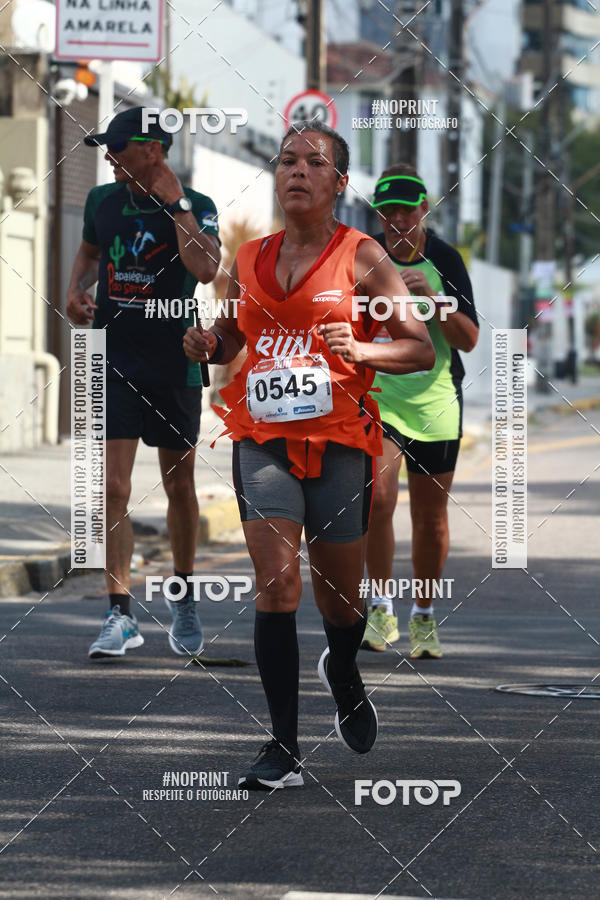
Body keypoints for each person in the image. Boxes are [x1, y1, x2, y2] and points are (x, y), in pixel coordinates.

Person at [183, 122, 435, 790]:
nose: (296, 170)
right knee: (278, 583)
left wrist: (363, 350)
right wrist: (210, 344)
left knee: (340, 601)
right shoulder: (249, 259)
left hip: (340, 440)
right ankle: (283, 749)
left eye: (313, 162)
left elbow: (419, 347)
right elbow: (233, 337)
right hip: (262, 435)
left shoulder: (363, 258)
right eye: (286, 160)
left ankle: (344, 668)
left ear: (338, 184)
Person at [66, 107, 220, 660]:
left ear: (152, 150)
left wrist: (176, 204)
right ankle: (120, 613)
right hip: (116, 359)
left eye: (118, 147)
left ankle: (182, 597)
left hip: (174, 364)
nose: (108, 155)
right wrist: (75, 288)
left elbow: (204, 269)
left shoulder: (197, 206)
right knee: (113, 487)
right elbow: (89, 252)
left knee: (179, 487)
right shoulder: (102, 201)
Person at [361, 164, 479, 659]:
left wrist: (434, 301)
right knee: (378, 499)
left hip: (434, 403)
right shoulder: (365, 256)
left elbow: (469, 340)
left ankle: (425, 616)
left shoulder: (445, 259)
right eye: (387, 213)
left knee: (430, 521)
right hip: (380, 397)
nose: (396, 222)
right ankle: (381, 608)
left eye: (405, 212)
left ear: (423, 210)